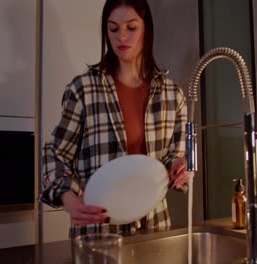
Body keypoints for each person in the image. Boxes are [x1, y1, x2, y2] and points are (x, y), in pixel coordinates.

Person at [40, 0, 189, 238]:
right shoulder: (83, 89)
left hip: (154, 230)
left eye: (131, 28)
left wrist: (180, 168)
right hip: (99, 232)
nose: (122, 37)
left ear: (146, 30)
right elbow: (55, 154)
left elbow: (178, 156)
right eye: (113, 28)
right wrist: (69, 199)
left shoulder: (172, 94)